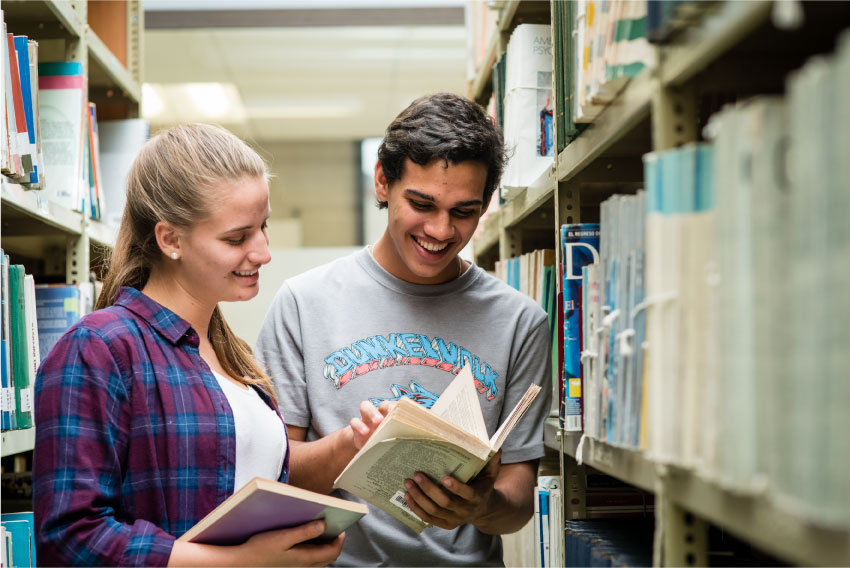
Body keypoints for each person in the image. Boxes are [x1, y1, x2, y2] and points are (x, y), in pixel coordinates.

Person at [255, 92, 552, 566]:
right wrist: (351, 444)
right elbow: (275, 475)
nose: (440, 230)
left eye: (463, 212)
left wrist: (480, 506)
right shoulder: (302, 303)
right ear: (382, 182)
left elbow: (515, 503)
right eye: (422, 203)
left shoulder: (520, 321)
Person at [32, 124, 344, 567]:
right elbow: (70, 537)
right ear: (170, 239)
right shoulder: (99, 349)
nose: (263, 253)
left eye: (263, 227)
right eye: (237, 238)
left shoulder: (230, 355)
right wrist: (241, 563)